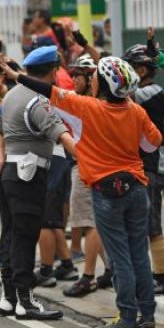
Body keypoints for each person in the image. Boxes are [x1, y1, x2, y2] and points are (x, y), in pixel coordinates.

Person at [1, 56, 162, 328]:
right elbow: (152, 143)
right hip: (136, 187)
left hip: (106, 191)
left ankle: (126, 317)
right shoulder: (136, 111)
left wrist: (16, 75)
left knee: (119, 255)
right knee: (139, 254)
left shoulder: (87, 107)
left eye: (97, 75)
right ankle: (147, 315)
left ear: (102, 83)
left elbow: (49, 91)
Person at [0, 45, 75, 320]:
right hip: (28, 175)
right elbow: (63, 136)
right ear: (53, 71)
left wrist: (0, 158)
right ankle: (25, 302)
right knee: (25, 238)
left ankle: (8, 297)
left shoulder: (11, 95)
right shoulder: (37, 100)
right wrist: (91, 159)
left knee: (11, 235)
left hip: (9, 174)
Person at [60, 55, 112, 297]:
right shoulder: (96, 102)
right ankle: (111, 270)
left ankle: (88, 276)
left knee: (89, 222)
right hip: (91, 166)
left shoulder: (88, 105)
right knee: (90, 221)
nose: (74, 80)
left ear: (92, 78)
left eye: (78, 76)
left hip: (85, 167)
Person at [124, 44, 164, 295]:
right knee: (141, 225)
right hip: (142, 165)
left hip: (152, 167)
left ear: (142, 69)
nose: (127, 74)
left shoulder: (153, 92)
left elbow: (124, 94)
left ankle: (162, 278)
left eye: (130, 68)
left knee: (152, 224)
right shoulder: (144, 91)